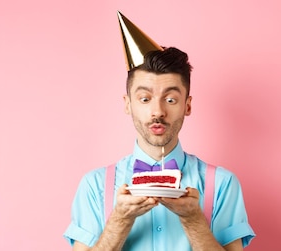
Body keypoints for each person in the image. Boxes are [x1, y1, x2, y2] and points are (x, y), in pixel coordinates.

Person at [63, 12, 255, 250]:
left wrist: (194, 220)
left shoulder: (223, 183)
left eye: (171, 100)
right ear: (127, 104)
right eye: (145, 98)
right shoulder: (95, 185)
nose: (158, 111)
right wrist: (120, 220)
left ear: (187, 105)